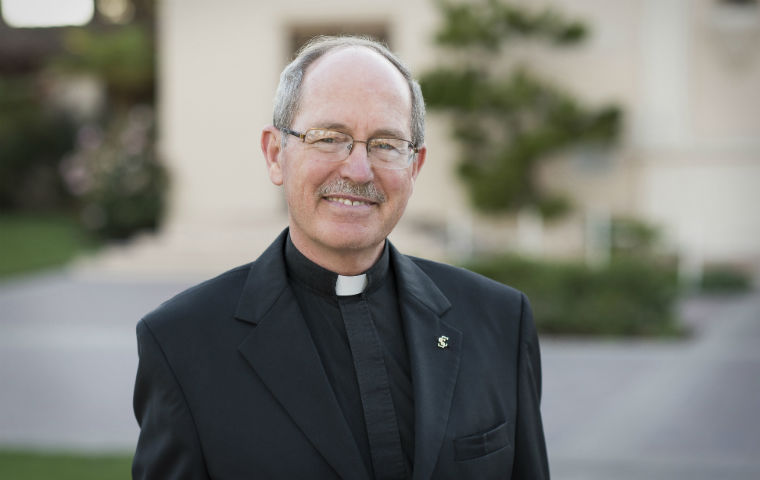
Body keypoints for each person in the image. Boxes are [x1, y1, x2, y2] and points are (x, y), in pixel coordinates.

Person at [132, 35, 549, 480]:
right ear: (276, 155)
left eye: (386, 144)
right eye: (329, 138)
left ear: (415, 167)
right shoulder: (183, 344)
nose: (357, 170)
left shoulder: (500, 321)